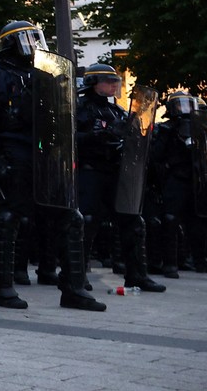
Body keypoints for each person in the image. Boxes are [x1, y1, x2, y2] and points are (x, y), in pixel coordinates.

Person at [0, 21, 105, 312]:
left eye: (37, 37)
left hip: (45, 155)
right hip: (14, 151)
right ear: (11, 42)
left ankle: (73, 288)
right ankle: (3, 287)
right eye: (28, 37)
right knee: (9, 218)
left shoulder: (45, 72)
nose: (35, 42)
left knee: (71, 217)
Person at [75, 63, 166, 293]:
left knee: (133, 221)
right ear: (93, 82)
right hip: (90, 171)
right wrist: (97, 135)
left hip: (115, 172)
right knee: (87, 222)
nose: (115, 85)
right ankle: (76, 276)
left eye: (116, 81)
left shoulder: (116, 111)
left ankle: (137, 275)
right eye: (109, 81)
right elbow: (69, 137)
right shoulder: (79, 107)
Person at [148, 91, 207, 281]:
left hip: (204, 179)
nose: (184, 109)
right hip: (178, 179)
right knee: (171, 219)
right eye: (179, 105)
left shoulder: (206, 127)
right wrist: (168, 134)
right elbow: (155, 155)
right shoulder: (166, 129)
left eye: (188, 104)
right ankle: (170, 265)